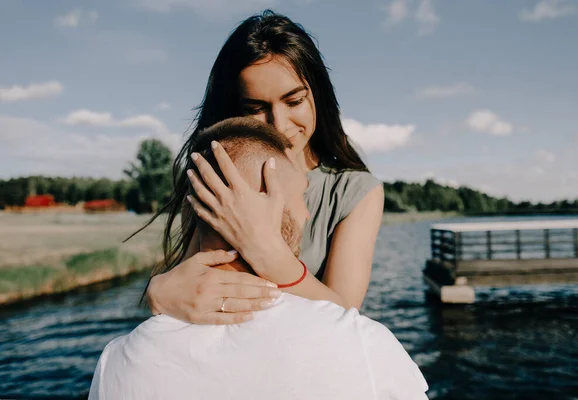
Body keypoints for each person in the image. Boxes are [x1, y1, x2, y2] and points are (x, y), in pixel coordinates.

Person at [89, 118, 427, 400]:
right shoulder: (364, 345)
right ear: (260, 202)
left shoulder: (114, 363)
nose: (307, 214)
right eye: (300, 197)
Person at [144, 10, 384, 324]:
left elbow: (346, 317)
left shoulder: (356, 192)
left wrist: (265, 249)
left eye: (294, 101)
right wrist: (158, 292)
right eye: (256, 108)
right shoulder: (215, 176)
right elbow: (192, 284)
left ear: (318, 95)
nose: (279, 124)